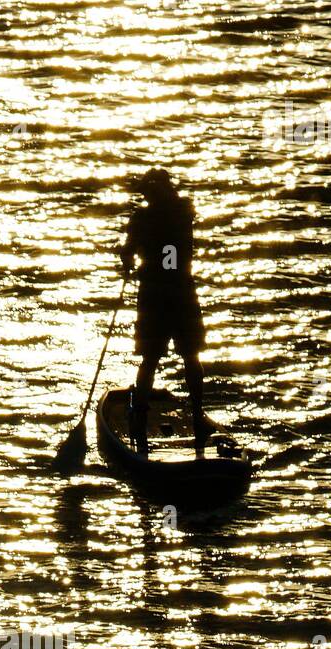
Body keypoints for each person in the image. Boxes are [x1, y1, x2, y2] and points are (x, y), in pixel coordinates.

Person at [120, 169, 209, 459]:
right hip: (182, 291)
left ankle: (140, 417)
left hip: (156, 295)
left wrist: (127, 258)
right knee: (190, 356)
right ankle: (197, 415)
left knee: (151, 357)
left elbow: (129, 252)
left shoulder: (144, 219)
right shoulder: (183, 212)